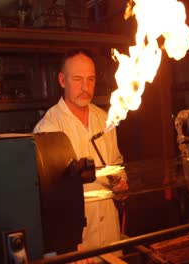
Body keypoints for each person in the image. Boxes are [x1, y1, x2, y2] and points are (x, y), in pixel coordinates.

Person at [33, 49, 128, 257]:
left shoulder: (106, 120)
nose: (86, 87)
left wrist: (121, 181)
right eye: (77, 79)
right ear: (62, 80)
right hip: (76, 245)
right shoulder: (48, 129)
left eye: (91, 79)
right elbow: (46, 198)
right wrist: (65, 244)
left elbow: (117, 161)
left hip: (111, 237)